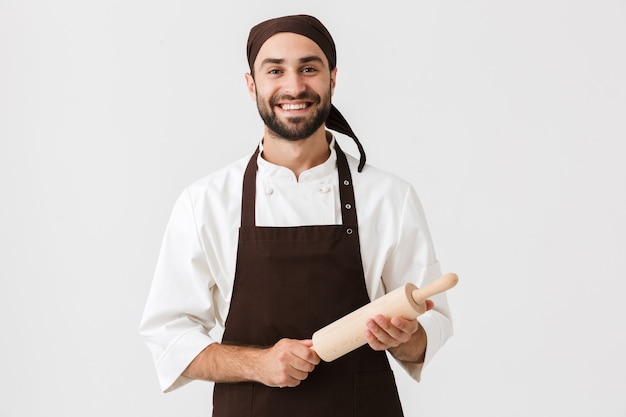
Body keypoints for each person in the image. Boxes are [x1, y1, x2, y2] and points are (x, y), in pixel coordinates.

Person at [139, 14, 453, 416]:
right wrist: (259, 364)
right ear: (251, 84)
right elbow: (168, 336)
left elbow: (432, 326)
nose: (294, 86)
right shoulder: (206, 202)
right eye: (275, 70)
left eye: (309, 68)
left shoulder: (389, 197)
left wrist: (404, 338)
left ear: (332, 78)